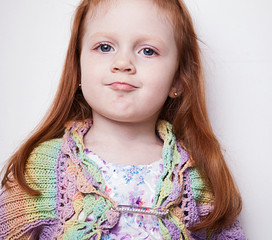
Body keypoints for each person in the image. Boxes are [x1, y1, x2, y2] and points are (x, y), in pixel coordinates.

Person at [0, 0, 246, 239]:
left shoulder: (195, 175)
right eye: (105, 47)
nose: (123, 63)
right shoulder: (45, 167)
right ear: (78, 67)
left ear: (177, 80)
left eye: (148, 51)